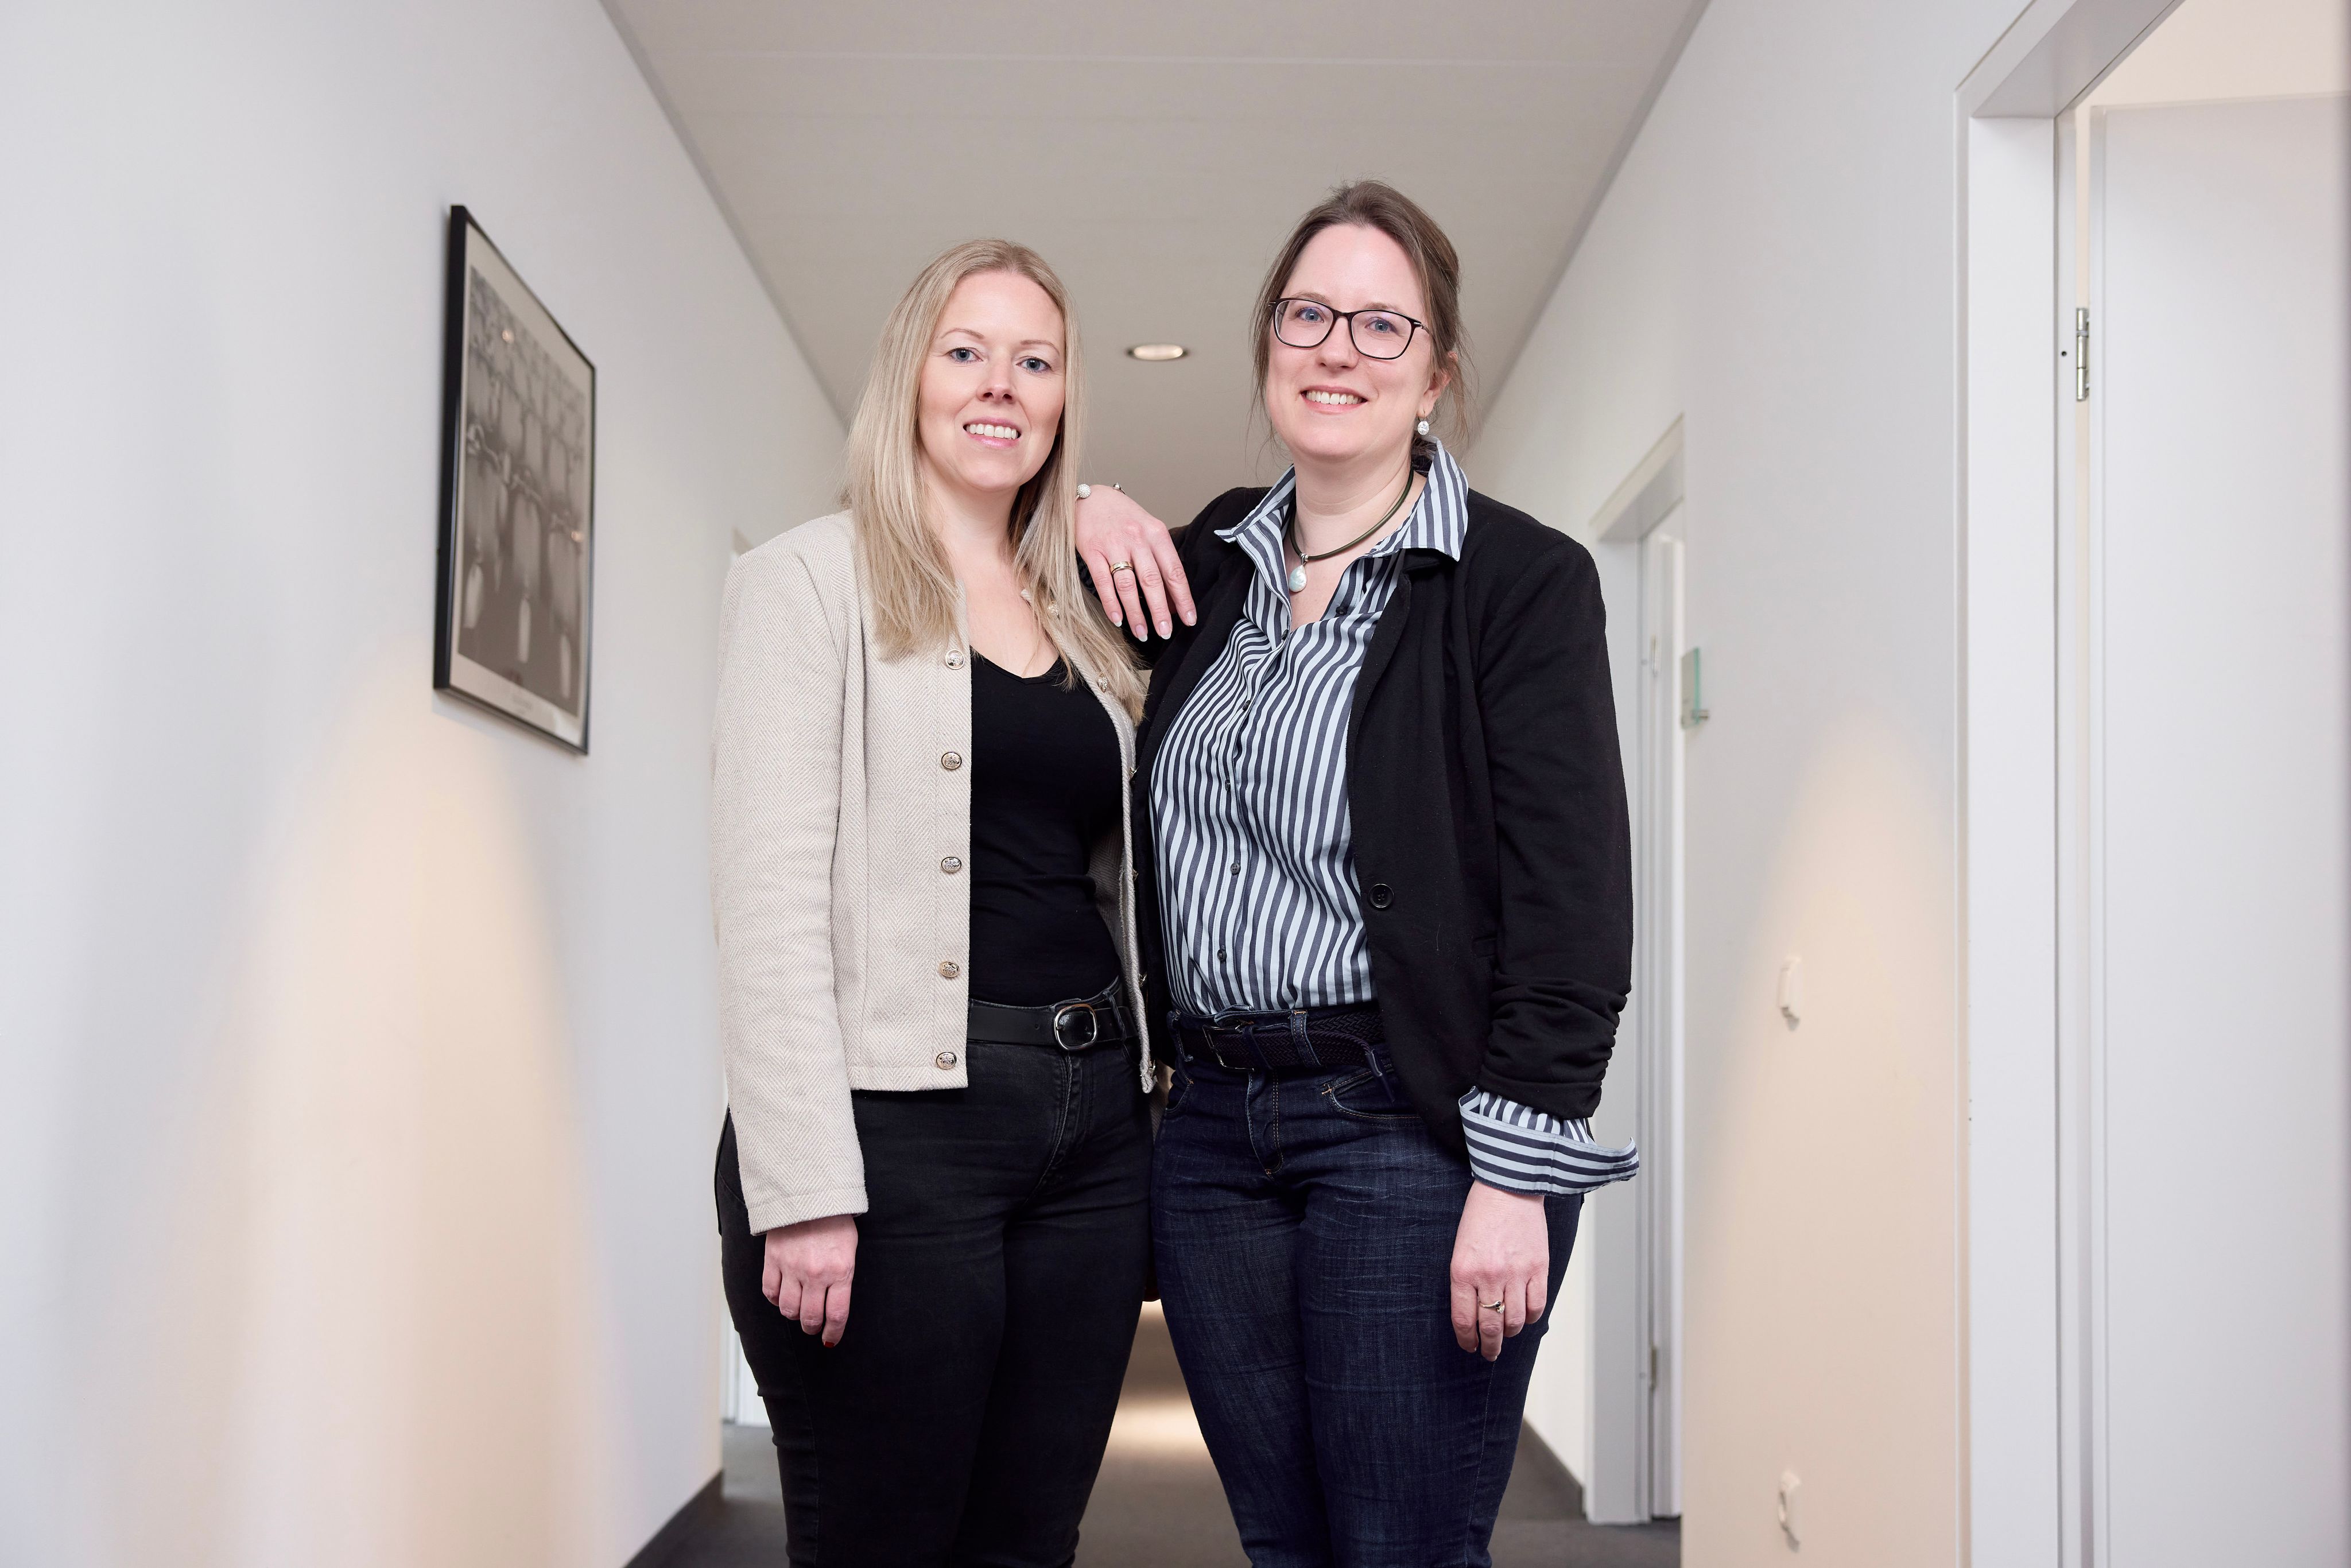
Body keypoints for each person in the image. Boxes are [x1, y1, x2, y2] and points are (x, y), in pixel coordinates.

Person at [1074, 180, 1639, 1566]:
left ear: (1434, 373)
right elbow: (1001, 588)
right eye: (1306, 315)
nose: (1337, 349)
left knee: (1402, 1548)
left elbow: (1572, 907)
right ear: (1268, 344)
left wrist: (1513, 1176)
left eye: (1382, 325)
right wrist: (1081, 505)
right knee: (1283, 1545)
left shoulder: (1517, 582)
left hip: (1410, 1129)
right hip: (1211, 1136)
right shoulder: (1208, 567)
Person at [710, 238, 1153, 1567]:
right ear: (909, 373)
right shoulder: (806, 581)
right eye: (966, 352)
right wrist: (800, 1183)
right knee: (883, 1541)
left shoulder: (1086, 613)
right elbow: (767, 898)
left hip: (1089, 1130)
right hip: (896, 1136)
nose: (999, 384)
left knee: (1029, 1540)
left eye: (1035, 360)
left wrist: (1099, 508)